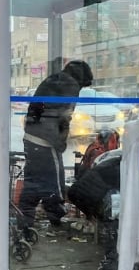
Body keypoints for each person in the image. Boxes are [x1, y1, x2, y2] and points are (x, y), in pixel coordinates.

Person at [20, 60, 93, 234]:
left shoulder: (53, 79)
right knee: (54, 181)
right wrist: (60, 141)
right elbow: (64, 117)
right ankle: (57, 216)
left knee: (34, 180)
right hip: (46, 139)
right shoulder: (71, 85)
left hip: (31, 136)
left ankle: (25, 217)